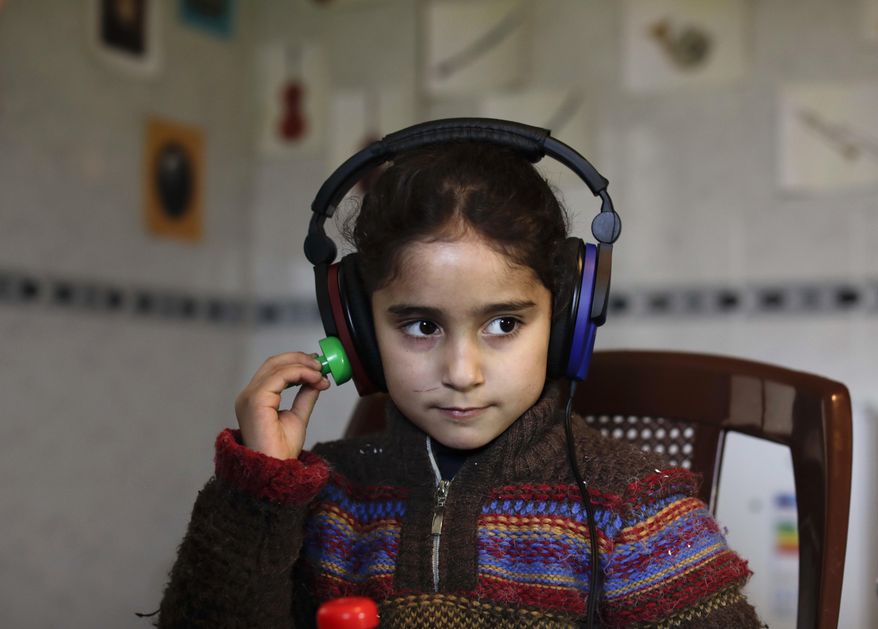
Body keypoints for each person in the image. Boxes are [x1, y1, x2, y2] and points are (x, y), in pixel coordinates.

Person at [157, 138, 762, 627]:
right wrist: (258, 491)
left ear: (564, 325)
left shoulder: (638, 517)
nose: (462, 373)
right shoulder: (324, 504)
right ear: (360, 334)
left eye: (503, 323)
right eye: (421, 325)